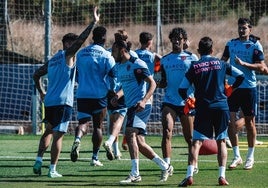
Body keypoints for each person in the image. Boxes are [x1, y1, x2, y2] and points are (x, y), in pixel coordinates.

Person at [32, 7, 100, 178]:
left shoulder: (54, 58)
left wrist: (42, 92)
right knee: (58, 136)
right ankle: (52, 169)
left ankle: (39, 160)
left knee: (48, 131)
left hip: (50, 101)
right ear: (68, 45)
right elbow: (82, 40)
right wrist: (93, 22)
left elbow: (36, 74)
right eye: (74, 45)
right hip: (63, 103)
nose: (76, 49)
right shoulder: (67, 55)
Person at [178, 36, 245, 186]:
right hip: (221, 106)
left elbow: (182, 88)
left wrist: (189, 99)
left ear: (199, 51)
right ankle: (221, 176)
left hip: (203, 107)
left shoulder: (194, 67)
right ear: (212, 50)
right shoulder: (221, 64)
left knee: (196, 143)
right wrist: (231, 88)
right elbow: (241, 76)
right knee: (221, 141)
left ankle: (189, 175)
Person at [111, 40, 173, 183]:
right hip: (131, 105)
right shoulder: (119, 67)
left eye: (114, 51)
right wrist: (117, 96)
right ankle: (165, 166)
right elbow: (125, 86)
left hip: (141, 105)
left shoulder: (137, 64)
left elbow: (152, 83)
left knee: (129, 133)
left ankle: (135, 173)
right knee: (139, 142)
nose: (112, 54)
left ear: (122, 51)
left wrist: (144, 101)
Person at [221, 18, 266, 170]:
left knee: (249, 123)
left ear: (250, 29)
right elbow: (223, 61)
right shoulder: (231, 44)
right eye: (240, 28)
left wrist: (244, 65)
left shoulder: (255, 45)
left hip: (249, 88)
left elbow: (262, 66)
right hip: (233, 88)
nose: (241, 30)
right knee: (230, 123)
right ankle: (236, 156)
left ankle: (250, 156)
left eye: (244, 28)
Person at [70, 25, 115, 166]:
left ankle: (77, 139)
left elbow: (75, 73)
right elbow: (113, 75)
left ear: (92, 38)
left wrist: (82, 83)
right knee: (97, 126)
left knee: (83, 123)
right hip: (99, 95)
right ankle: (95, 158)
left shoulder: (81, 53)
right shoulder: (106, 55)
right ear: (104, 38)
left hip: (82, 93)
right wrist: (112, 90)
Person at [157, 27, 198, 171]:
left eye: (179, 38)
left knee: (190, 138)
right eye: (174, 38)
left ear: (184, 40)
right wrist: (155, 84)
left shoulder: (192, 58)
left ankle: (193, 165)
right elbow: (163, 81)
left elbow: (198, 80)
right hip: (169, 101)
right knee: (167, 131)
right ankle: (167, 165)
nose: (176, 41)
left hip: (187, 102)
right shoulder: (165, 60)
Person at [102, 29, 139, 160]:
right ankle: (112, 144)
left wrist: (108, 88)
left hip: (111, 90)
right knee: (119, 120)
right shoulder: (131, 54)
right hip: (123, 91)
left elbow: (105, 73)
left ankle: (116, 150)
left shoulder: (108, 52)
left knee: (113, 120)